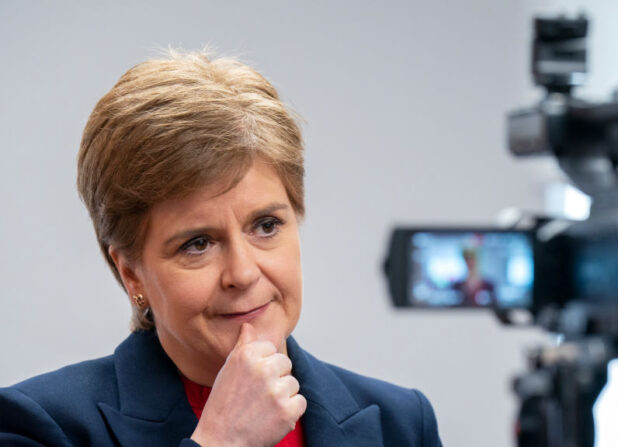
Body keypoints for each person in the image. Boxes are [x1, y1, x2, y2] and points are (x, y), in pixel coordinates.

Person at [0, 51, 442, 447]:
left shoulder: (400, 424)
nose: (244, 273)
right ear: (131, 273)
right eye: (198, 244)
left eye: (266, 226)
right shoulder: (40, 426)